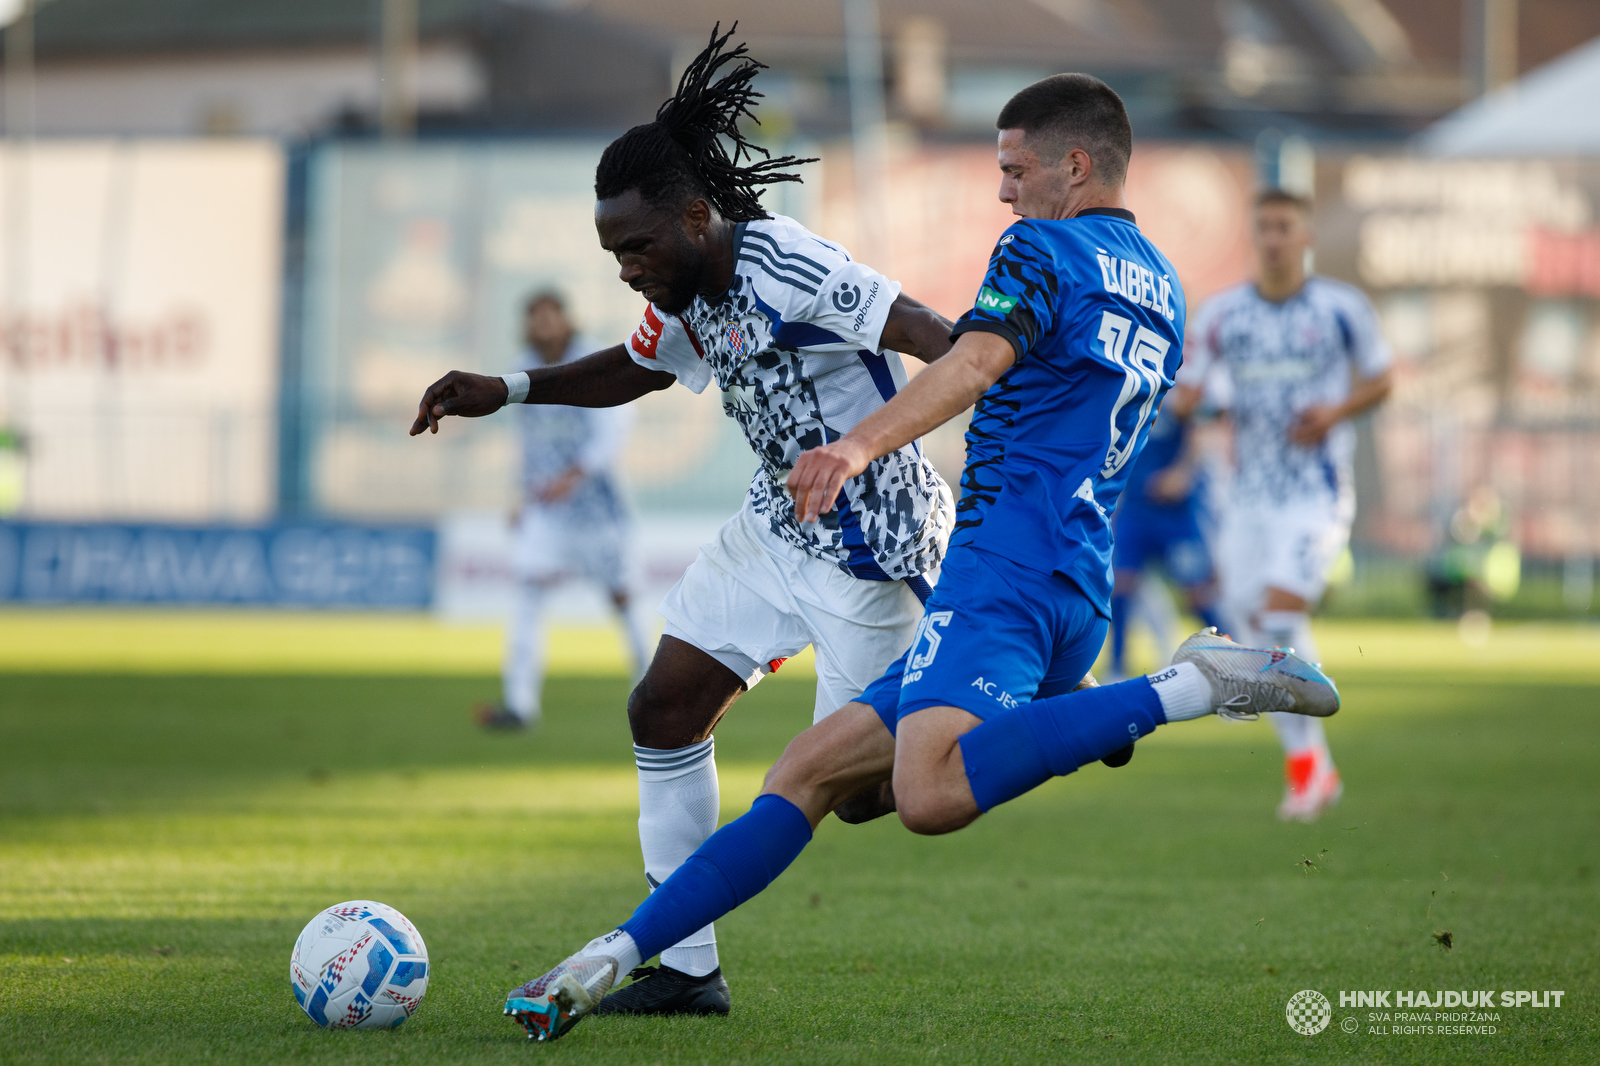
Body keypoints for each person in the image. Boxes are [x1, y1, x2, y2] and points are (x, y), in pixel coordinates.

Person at [502, 73, 1342, 1043]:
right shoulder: (1159, 281)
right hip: (1076, 573)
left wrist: (856, 444)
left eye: (1013, 168)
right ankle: (610, 961)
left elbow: (971, 356)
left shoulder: (1039, 245)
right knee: (808, 774)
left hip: (999, 570)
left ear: (1074, 165)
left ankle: (1193, 686)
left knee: (925, 792)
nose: (1003, 192)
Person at [410, 25, 955, 1015]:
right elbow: (636, 364)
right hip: (771, 528)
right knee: (662, 707)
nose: (626, 267)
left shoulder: (789, 263)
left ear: (698, 217)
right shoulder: (682, 287)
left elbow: (938, 342)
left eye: (635, 245)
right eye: (613, 251)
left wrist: (949, 450)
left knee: (875, 796)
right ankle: (688, 968)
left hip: (873, 551)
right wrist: (511, 387)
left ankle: (1047, 704)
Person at [1177, 189, 1393, 822]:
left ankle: (1311, 736)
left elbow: (1381, 377)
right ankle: (1313, 768)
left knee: (1275, 618)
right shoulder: (1223, 314)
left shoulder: (1339, 308)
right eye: (1263, 227)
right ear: (1254, 236)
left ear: (1306, 237)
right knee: (1248, 622)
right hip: (1245, 498)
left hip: (1314, 494)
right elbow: (1191, 387)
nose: (1273, 237)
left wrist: (1336, 411)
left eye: (1284, 226)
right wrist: (1188, 402)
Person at [475, 291, 651, 732]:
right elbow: (527, 443)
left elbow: (614, 429)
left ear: (565, 320)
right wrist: (521, 495)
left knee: (624, 599)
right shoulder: (521, 367)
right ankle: (519, 706)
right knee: (528, 595)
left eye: (550, 317)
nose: (544, 327)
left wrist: (575, 475)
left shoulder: (590, 358)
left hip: (597, 509)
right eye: (536, 319)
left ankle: (655, 695)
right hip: (547, 511)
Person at [1106, 390, 1223, 679]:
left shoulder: (1177, 390)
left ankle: (1235, 668)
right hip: (1135, 509)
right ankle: (1118, 668)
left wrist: (1184, 473)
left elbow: (1200, 423)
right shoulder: (1125, 392)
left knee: (1197, 595)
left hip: (1175, 513)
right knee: (1120, 589)